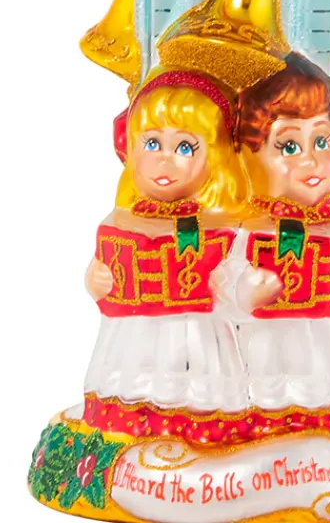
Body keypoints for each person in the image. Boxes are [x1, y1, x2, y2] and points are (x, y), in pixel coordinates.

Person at [83, 70, 249, 417]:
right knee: (132, 381)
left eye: (184, 147)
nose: (164, 159)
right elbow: (104, 269)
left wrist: (240, 286)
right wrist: (97, 279)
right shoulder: (121, 221)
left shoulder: (222, 227)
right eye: (152, 143)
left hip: (198, 331)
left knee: (203, 387)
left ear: (215, 157)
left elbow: (235, 275)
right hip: (136, 331)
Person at [234, 53, 330, 420]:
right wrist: (245, 290)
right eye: (289, 147)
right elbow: (219, 283)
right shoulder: (247, 230)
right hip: (273, 344)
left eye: (321, 141)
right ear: (249, 155)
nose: (311, 161)